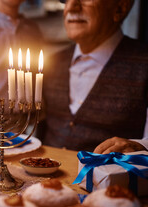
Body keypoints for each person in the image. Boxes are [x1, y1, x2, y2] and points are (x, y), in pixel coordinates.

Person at [41, 0, 148, 152]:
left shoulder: (144, 63)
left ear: (119, 8)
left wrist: (140, 148)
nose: (71, 7)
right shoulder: (51, 62)